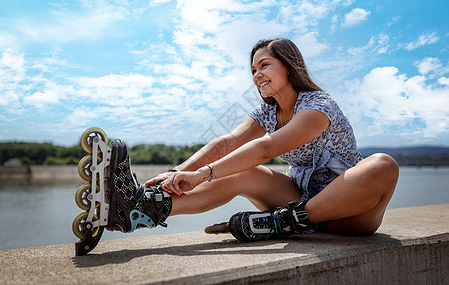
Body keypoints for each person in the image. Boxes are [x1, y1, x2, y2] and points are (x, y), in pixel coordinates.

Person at [136, 38, 399, 241]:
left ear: (288, 66)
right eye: (253, 69)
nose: (256, 75)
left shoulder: (319, 105)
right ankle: (143, 209)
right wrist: (176, 173)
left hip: (350, 213)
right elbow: (227, 143)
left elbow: (267, 148)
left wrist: (202, 175)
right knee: (244, 173)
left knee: (383, 164)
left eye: (264, 65)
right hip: (298, 203)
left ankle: (283, 222)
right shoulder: (267, 112)